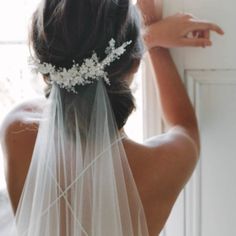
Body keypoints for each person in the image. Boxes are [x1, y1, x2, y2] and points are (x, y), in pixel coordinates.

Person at [0, 0, 224, 235]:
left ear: (46, 67)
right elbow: (185, 126)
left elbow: (74, 82)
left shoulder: (16, 130)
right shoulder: (160, 167)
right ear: (136, 62)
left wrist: (144, 39)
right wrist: (153, 42)